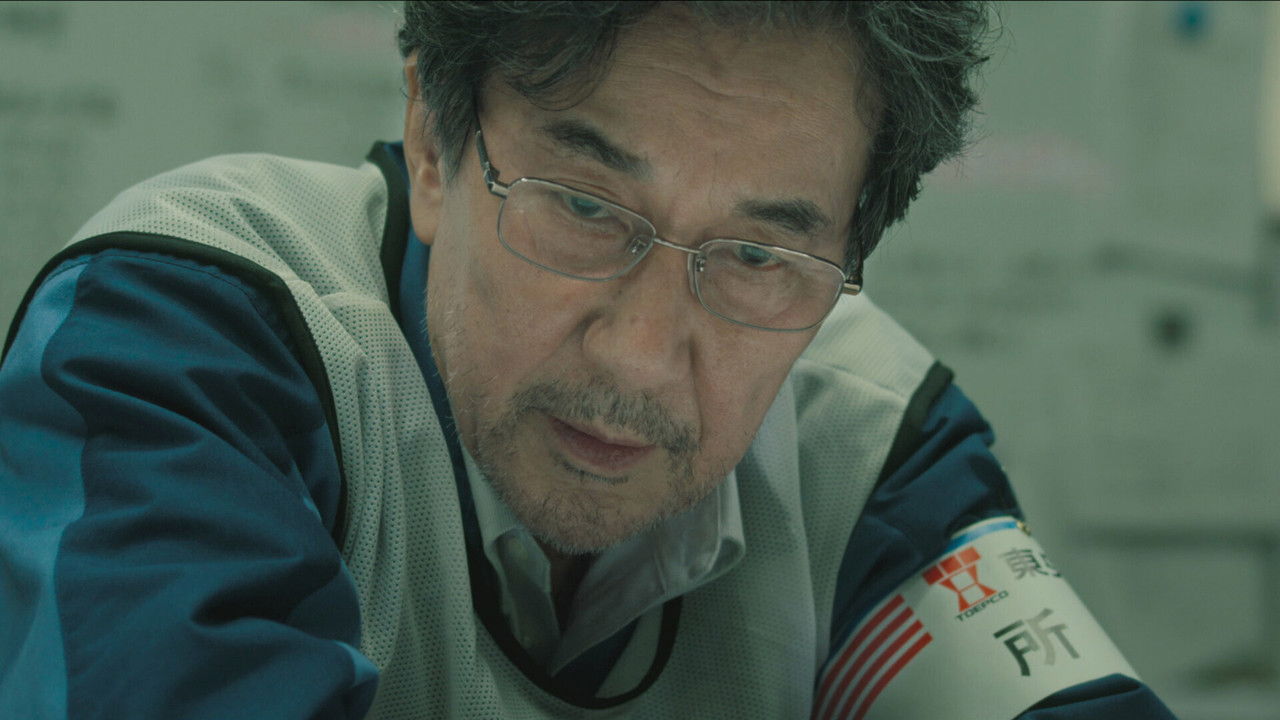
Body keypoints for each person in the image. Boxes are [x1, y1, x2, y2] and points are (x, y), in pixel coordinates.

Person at [0, 2, 1177, 718]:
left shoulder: (866, 442)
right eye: (581, 204)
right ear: (431, 141)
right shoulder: (194, 326)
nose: (641, 358)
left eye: (758, 255)